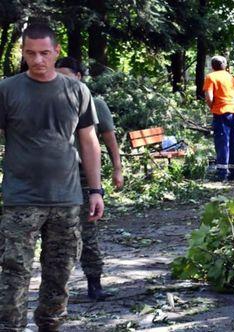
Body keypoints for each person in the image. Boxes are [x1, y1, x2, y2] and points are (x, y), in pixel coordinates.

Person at [0, 23, 103, 331]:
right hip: (21, 199)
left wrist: (96, 190)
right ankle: (10, 327)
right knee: (14, 271)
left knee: (59, 271)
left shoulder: (76, 90)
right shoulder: (7, 90)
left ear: (57, 52)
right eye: (30, 53)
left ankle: (51, 324)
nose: (38, 60)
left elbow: (89, 141)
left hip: (67, 199)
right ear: (23, 52)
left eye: (45, 53)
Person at [56, 56, 124, 301]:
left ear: (78, 77)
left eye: (66, 75)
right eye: (58, 74)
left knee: (88, 233)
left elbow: (109, 139)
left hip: (84, 180)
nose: (61, 80)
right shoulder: (49, 103)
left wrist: (117, 168)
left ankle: (94, 284)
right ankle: (55, 289)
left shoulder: (94, 103)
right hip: (54, 181)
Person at [203, 55, 234, 181]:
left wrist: (212, 107)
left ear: (213, 66)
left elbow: (209, 97)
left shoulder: (211, 77)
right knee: (233, 140)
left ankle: (222, 173)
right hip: (233, 111)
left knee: (222, 142)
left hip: (220, 112)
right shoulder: (231, 77)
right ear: (224, 65)